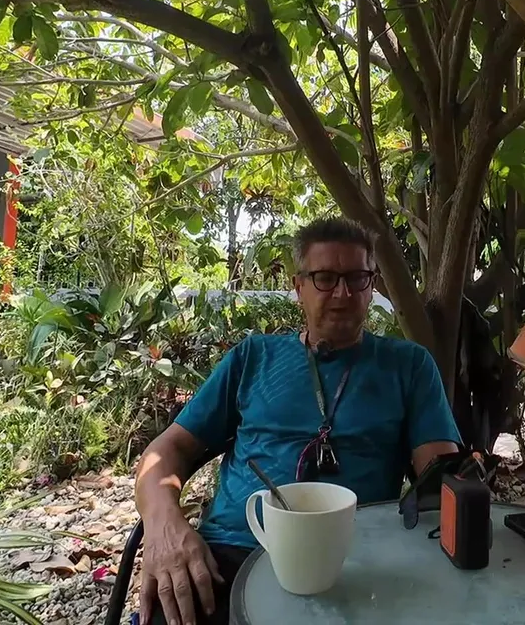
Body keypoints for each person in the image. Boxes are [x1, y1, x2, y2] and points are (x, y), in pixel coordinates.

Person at [133, 217, 461, 625]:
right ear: (298, 287)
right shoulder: (253, 357)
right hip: (232, 551)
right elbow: (166, 450)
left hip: (354, 559)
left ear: (372, 285)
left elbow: (441, 480)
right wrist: (163, 523)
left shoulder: (408, 365)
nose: (342, 293)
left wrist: (462, 484)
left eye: (357, 278)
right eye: (325, 278)